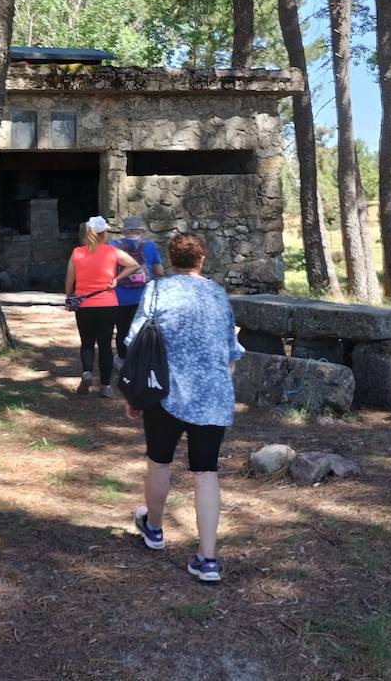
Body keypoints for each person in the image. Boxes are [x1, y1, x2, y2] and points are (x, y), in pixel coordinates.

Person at [124, 231, 242, 583]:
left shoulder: (157, 290)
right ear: (201, 260)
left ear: (172, 260)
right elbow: (232, 353)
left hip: (164, 393)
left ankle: (155, 529)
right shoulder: (218, 295)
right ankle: (207, 560)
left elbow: (134, 341)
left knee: (159, 462)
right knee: (206, 472)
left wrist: (134, 397)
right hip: (212, 396)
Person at [65, 215, 140, 397]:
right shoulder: (112, 252)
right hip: (108, 304)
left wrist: (69, 296)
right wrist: (116, 279)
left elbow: (70, 279)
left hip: (84, 304)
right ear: (103, 233)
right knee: (105, 345)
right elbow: (134, 265)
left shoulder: (77, 252)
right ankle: (106, 386)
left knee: (87, 342)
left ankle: (87, 373)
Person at [112, 215, 164, 363]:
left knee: (122, 329)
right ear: (141, 230)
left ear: (125, 230)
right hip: (144, 297)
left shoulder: (112, 246)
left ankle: (123, 360)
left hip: (120, 296)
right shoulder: (150, 246)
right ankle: (140, 360)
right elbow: (159, 272)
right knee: (142, 329)